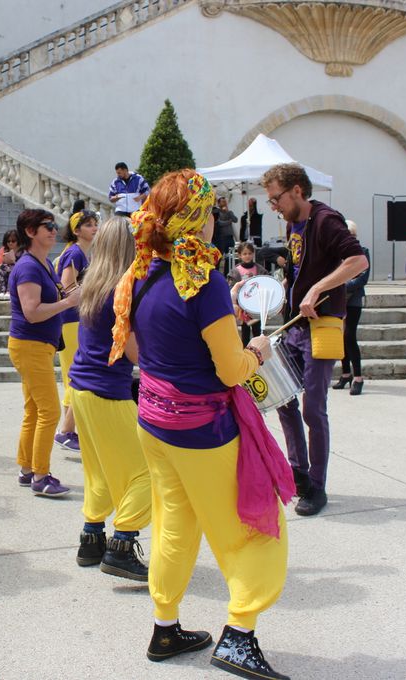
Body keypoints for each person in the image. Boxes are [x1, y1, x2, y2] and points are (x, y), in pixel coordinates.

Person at [110, 168, 294, 679]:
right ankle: (239, 636)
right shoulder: (206, 282)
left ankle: (165, 628)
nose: (215, 220)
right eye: (209, 211)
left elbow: (134, 351)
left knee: (175, 524)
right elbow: (231, 370)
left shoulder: (141, 272)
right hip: (203, 431)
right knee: (253, 528)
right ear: (196, 219)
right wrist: (256, 349)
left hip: (154, 420)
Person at [261, 162, 367, 517]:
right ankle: (299, 474)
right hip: (294, 327)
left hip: (323, 326)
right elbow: (297, 271)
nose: (273, 205)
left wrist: (320, 288)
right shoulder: (293, 223)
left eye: (276, 198)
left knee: (313, 408)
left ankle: (317, 486)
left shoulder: (326, 220)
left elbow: (358, 261)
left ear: (297, 191)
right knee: (282, 398)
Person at [67, 216, 150, 581]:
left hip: (81, 389)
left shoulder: (91, 282)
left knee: (98, 470)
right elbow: (134, 353)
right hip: (106, 391)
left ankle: (92, 538)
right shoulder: (123, 287)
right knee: (148, 473)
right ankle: (122, 544)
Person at [8, 209, 80, 498]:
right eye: (46, 226)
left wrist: (71, 295)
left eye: (54, 226)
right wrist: (68, 303)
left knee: (34, 410)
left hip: (37, 346)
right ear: (30, 232)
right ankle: (41, 475)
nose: (53, 230)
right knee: (49, 411)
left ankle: (27, 469)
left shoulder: (44, 263)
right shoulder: (28, 267)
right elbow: (32, 312)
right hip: (30, 345)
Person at [54, 209, 97, 452]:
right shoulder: (74, 253)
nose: (94, 228)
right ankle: (66, 431)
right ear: (76, 230)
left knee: (73, 373)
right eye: (88, 225)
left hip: (74, 319)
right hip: (72, 319)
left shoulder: (78, 253)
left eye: (94, 224)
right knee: (75, 374)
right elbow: (69, 287)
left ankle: (69, 429)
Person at [334, 220, 370, 395]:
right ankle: (345, 373)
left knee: (349, 336)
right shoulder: (336, 253)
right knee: (340, 338)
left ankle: (358, 377)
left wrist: (340, 284)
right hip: (338, 299)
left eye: (352, 235)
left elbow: (362, 278)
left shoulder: (363, 252)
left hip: (353, 299)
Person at [227, 241, 269, 346]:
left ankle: (259, 351)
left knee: (258, 330)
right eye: (245, 254)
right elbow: (232, 288)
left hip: (256, 306)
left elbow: (266, 282)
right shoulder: (235, 271)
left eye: (250, 253)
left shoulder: (259, 269)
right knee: (245, 332)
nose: (247, 256)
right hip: (243, 307)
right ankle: (245, 352)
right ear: (239, 255)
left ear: (253, 254)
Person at [214, 196, 237, 271]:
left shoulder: (229, 212)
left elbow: (235, 219)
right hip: (222, 237)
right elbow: (220, 223)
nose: (224, 203)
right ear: (219, 203)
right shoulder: (218, 212)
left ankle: (228, 272)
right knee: (221, 256)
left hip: (230, 236)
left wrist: (228, 212)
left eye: (225, 202)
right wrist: (229, 222)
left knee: (230, 256)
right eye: (222, 202)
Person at [0, 229, 19, 301]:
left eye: (13, 241)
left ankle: (10, 291)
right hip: (5, 270)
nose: (10, 243)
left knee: (13, 267)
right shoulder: (3, 250)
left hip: (18, 270)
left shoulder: (22, 251)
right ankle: (2, 291)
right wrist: (5, 262)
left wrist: (14, 262)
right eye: (8, 241)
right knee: (3, 267)